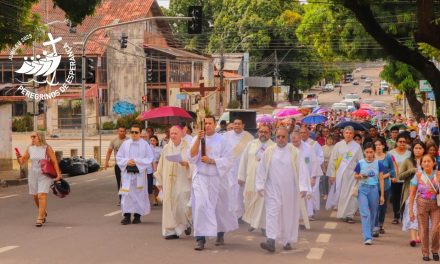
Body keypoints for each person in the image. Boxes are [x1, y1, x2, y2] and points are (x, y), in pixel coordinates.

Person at [256, 127, 310, 252]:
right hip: (272, 189)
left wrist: (303, 186)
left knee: (288, 215)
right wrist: (259, 185)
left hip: (289, 190)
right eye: (278, 136)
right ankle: (271, 240)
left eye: (283, 137)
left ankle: (287, 241)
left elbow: (302, 169)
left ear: (288, 137)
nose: (280, 139)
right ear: (275, 137)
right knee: (271, 214)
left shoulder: (294, 152)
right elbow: (261, 169)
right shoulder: (269, 151)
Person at [189, 115, 237, 251]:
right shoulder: (197, 138)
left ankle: (220, 233)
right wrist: (198, 140)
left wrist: (212, 161)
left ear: (215, 124)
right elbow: (191, 156)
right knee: (200, 206)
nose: (207, 126)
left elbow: (229, 159)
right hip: (201, 178)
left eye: (210, 123)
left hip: (217, 178)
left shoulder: (222, 140)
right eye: (205, 123)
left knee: (218, 208)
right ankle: (200, 239)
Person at [16, 131, 62, 227]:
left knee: (42, 195)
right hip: (33, 173)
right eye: (31, 137)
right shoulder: (30, 148)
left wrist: (58, 174)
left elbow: (54, 161)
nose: (32, 138)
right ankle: (43, 212)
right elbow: (22, 161)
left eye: (34, 136)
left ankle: (40, 217)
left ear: (40, 137)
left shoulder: (46, 148)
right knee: (35, 196)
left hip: (44, 174)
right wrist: (18, 157)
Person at [154, 126, 192, 239]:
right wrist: (159, 180)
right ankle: (171, 231)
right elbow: (160, 165)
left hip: (183, 180)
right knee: (169, 203)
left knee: (181, 203)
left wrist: (187, 164)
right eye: (172, 134)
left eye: (176, 133)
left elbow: (194, 163)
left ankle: (187, 223)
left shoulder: (188, 147)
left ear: (181, 134)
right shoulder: (166, 148)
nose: (173, 136)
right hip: (168, 181)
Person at [238, 124, 275, 233]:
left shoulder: (273, 146)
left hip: (265, 181)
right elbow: (243, 160)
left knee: (263, 203)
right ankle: (253, 221)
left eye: (266, 132)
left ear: (270, 133)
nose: (263, 134)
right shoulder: (251, 144)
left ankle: (263, 226)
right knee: (249, 201)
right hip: (251, 178)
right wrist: (241, 176)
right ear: (258, 133)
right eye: (261, 131)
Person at [116, 124, 154, 225]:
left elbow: (150, 158)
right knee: (127, 195)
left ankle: (137, 216)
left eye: (136, 132)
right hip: (127, 174)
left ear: (140, 133)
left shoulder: (145, 144)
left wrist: (137, 162)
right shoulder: (125, 144)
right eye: (132, 132)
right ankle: (127, 216)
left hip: (139, 175)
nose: (134, 134)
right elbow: (119, 157)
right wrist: (127, 161)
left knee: (139, 194)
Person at [326, 126, 363, 223]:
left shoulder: (357, 147)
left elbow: (360, 162)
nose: (348, 135)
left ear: (353, 134)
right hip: (340, 174)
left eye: (350, 133)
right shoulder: (338, 145)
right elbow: (333, 160)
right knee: (342, 194)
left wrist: (359, 174)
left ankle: (349, 215)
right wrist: (332, 174)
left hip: (352, 175)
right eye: (346, 133)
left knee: (352, 195)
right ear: (343, 134)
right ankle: (342, 213)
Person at [408, 154, 440, 261]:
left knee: (436, 229)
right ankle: (425, 252)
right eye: (424, 161)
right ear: (421, 164)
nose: (426, 163)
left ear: (433, 163)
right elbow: (412, 195)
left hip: (436, 205)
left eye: (429, 161)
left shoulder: (438, 175)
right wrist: (411, 211)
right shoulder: (417, 176)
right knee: (424, 229)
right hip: (422, 204)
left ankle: (435, 250)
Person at [354, 142, 385, 245]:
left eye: (371, 152)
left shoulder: (379, 164)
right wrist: (360, 176)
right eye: (367, 152)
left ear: (374, 152)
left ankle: (370, 232)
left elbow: (381, 179)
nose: (369, 154)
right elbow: (355, 176)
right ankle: (367, 237)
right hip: (362, 189)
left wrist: (382, 195)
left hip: (374, 189)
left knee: (373, 213)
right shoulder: (360, 163)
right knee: (365, 213)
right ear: (364, 152)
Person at [223, 117, 254, 219]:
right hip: (230, 169)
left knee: (241, 190)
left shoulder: (249, 137)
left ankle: (241, 212)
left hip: (242, 168)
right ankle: (230, 211)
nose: (236, 126)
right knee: (230, 189)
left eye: (239, 124)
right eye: (235, 124)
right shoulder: (226, 136)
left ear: (243, 125)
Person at [400, 141, 425, 247]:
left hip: (424, 193)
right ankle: (413, 238)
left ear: (424, 150)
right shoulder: (407, 161)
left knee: (423, 214)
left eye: (420, 148)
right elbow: (400, 176)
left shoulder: (427, 160)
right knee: (412, 213)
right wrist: (411, 171)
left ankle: (420, 235)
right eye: (416, 148)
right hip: (410, 193)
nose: (418, 150)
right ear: (412, 149)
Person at [373, 138, 398, 237]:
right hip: (372, 185)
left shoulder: (388, 156)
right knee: (373, 206)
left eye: (380, 144)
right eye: (376, 145)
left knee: (382, 206)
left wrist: (384, 176)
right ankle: (374, 226)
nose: (378, 146)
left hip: (386, 186)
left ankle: (380, 225)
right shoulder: (371, 156)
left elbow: (393, 170)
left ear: (383, 146)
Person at [300, 126, 324, 219]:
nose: (302, 134)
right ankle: (304, 211)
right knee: (303, 191)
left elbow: (320, 156)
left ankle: (311, 211)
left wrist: (313, 163)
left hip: (313, 171)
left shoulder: (314, 144)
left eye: (304, 133)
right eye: (301, 133)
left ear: (308, 134)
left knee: (312, 192)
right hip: (302, 172)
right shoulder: (298, 144)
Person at [389, 133, 412, 224]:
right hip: (395, 179)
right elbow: (389, 167)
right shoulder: (391, 153)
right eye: (400, 142)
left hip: (406, 179)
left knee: (405, 198)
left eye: (404, 142)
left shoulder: (409, 153)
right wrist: (391, 176)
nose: (402, 143)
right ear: (396, 142)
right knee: (396, 198)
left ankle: (404, 215)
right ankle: (396, 216)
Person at [104, 125, 127, 205]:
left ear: (125, 132)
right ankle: (121, 199)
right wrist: (106, 162)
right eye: (121, 131)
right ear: (118, 132)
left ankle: (127, 199)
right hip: (118, 165)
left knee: (126, 182)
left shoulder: (128, 140)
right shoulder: (114, 141)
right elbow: (109, 151)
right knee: (119, 182)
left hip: (127, 165)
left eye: (124, 131)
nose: (122, 132)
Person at [149, 135, 162, 206]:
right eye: (151, 140)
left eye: (154, 140)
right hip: (149, 168)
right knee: (150, 185)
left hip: (157, 168)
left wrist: (158, 162)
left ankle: (155, 199)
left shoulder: (160, 149)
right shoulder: (147, 149)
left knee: (156, 185)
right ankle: (152, 198)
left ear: (156, 141)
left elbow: (162, 158)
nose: (152, 142)